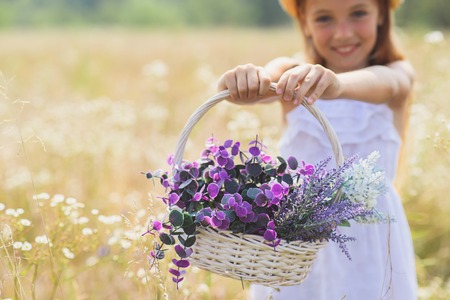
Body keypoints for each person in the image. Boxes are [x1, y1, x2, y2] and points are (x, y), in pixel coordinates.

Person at [216, 0, 418, 299]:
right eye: (324, 18)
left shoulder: (396, 73)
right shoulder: (290, 74)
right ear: (305, 23)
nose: (343, 33)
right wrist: (243, 81)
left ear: (381, 16)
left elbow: (391, 82)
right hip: (297, 241)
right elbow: (265, 79)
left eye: (358, 13)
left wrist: (336, 84)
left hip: (371, 240)